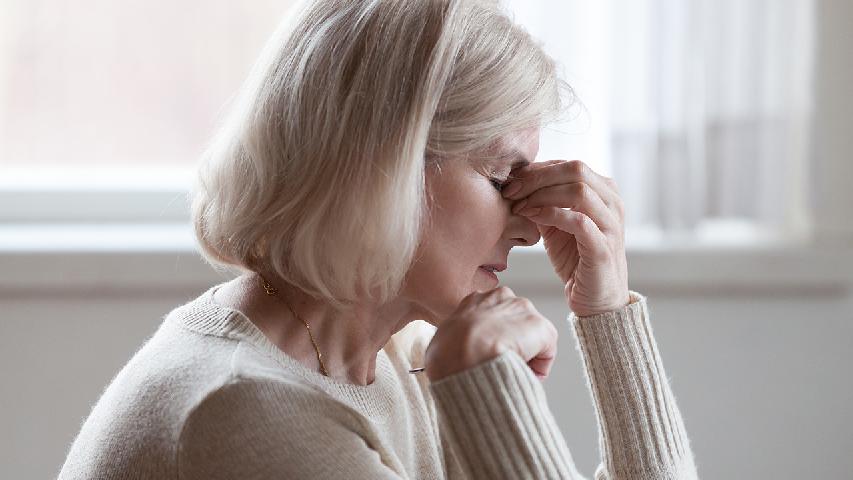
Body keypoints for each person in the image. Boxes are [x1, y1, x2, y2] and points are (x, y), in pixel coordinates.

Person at [58, 0, 699, 478]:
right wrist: (488, 396)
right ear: (384, 170)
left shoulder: (399, 354)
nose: (531, 225)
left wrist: (608, 311)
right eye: (504, 175)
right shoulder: (249, 413)